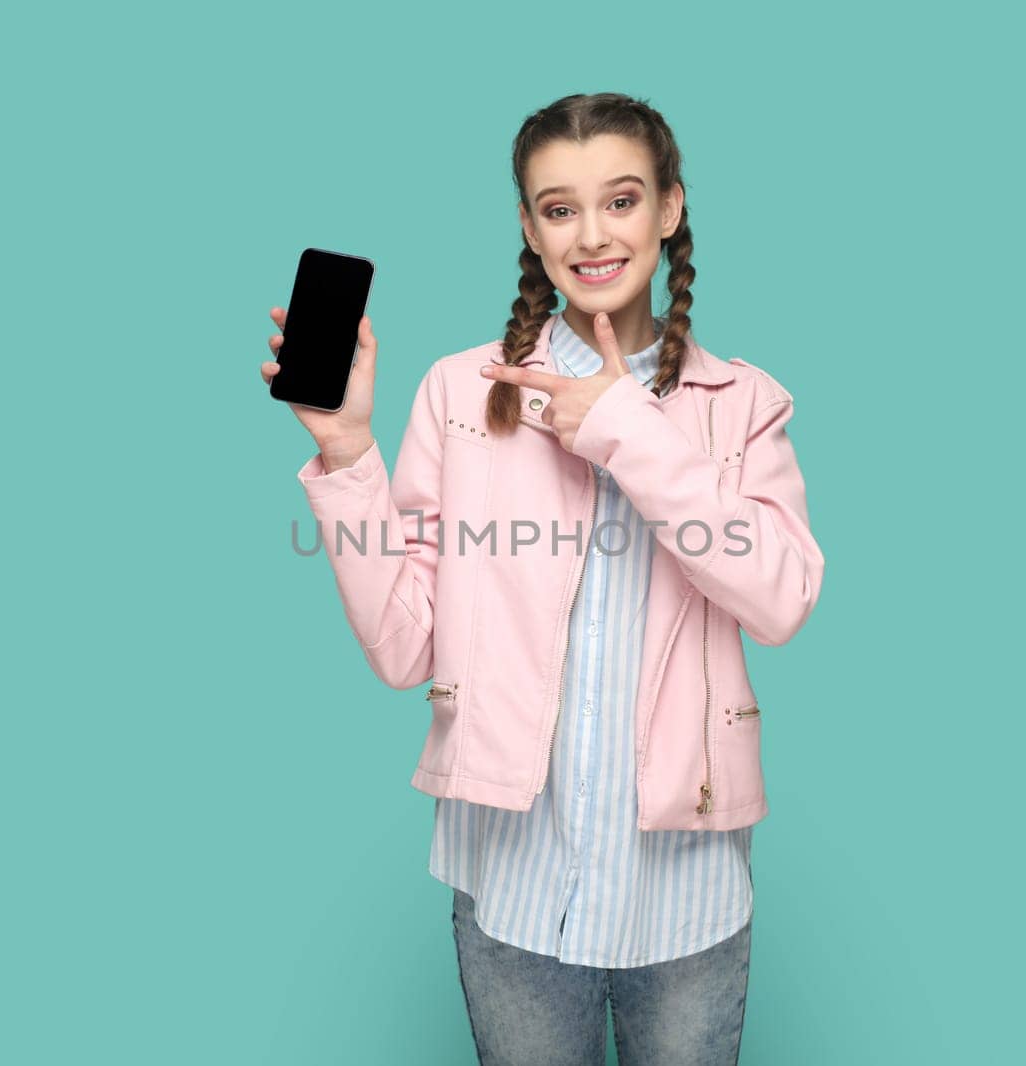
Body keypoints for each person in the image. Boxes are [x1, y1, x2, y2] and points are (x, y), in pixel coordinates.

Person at [264, 92, 825, 1065]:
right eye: (559, 208)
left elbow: (780, 598)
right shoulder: (456, 391)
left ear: (669, 208)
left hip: (687, 892)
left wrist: (625, 432)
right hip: (511, 887)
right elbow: (403, 648)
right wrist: (349, 454)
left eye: (620, 199)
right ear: (528, 227)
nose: (593, 234)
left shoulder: (743, 403)